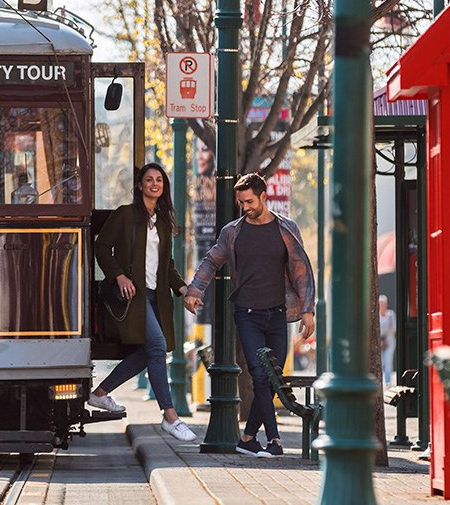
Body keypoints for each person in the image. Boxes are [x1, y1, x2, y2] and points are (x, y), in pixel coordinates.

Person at [184, 173, 315, 458]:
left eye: (249, 201)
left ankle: (247, 438)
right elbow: (211, 260)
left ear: (264, 197)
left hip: (278, 314)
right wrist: (195, 290)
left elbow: (301, 271)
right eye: (241, 202)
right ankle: (275, 441)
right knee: (259, 374)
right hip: (247, 313)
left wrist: (307, 310)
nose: (245, 207)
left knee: (273, 378)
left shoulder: (286, 229)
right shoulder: (232, 232)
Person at [88, 163, 197, 443]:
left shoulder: (163, 221)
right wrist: (119, 275)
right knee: (158, 346)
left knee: (150, 351)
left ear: (164, 186)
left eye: (159, 180)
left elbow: (168, 265)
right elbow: (101, 247)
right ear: (139, 186)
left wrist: (185, 290)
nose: (154, 183)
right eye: (148, 179)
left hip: (155, 297)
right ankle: (170, 416)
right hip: (132, 299)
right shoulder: (125, 215)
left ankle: (99, 394)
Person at [379, 294, 397, 388]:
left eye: (384, 303)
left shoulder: (391, 314)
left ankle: (388, 382)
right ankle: (381, 381)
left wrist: (386, 332)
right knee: (381, 361)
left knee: (388, 360)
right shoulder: (377, 315)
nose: (382, 305)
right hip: (380, 342)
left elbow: (394, 328)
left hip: (389, 341)